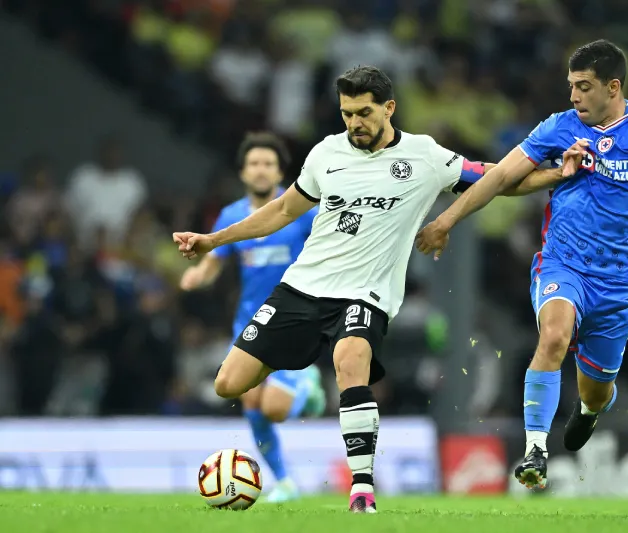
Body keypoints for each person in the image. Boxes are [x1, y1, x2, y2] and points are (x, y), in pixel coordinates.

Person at [173, 66, 585, 512]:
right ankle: (308, 390)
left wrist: (555, 175)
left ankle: (362, 489)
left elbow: (495, 177)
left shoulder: (424, 157)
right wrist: (214, 239)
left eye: (364, 113)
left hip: (365, 293)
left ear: (389, 108)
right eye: (347, 113)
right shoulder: (326, 154)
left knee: (350, 360)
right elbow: (280, 211)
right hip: (302, 287)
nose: (355, 123)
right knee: (227, 384)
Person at [415, 40, 628, 490]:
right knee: (553, 336)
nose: (573, 96)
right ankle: (535, 450)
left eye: (584, 86)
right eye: (571, 85)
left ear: (613, 87)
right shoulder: (559, 127)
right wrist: (445, 220)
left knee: (596, 390)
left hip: (615, 284)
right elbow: (499, 176)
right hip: (562, 265)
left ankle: (591, 409)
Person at [179, 132, 325, 503]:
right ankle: (286, 481)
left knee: (274, 410)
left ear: (280, 172)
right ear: (243, 172)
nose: (261, 171)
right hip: (249, 323)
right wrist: (198, 276)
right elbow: (215, 261)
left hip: (294, 319)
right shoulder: (231, 216)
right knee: (251, 405)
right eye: (254, 164)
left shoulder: (301, 211)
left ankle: (308, 389)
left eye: (268, 164)